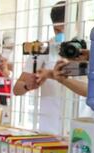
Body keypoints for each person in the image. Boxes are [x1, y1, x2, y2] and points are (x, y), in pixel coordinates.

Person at [13, 1, 67, 133]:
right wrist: (27, 85)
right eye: (57, 30)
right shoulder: (44, 49)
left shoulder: (88, 49)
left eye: (64, 29)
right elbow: (16, 89)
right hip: (49, 126)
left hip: (81, 126)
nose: (60, 34)